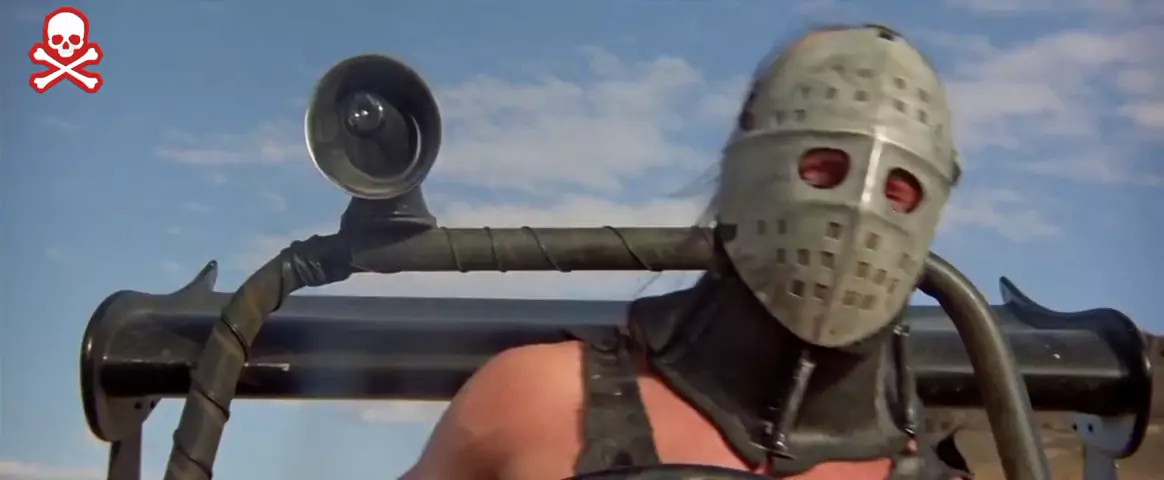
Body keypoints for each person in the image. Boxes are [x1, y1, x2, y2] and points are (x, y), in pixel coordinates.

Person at [403, 24, 970, 480]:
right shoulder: (536, 403)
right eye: (822, 168)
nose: (856, 212)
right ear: (752, 168)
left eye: (897, 191)